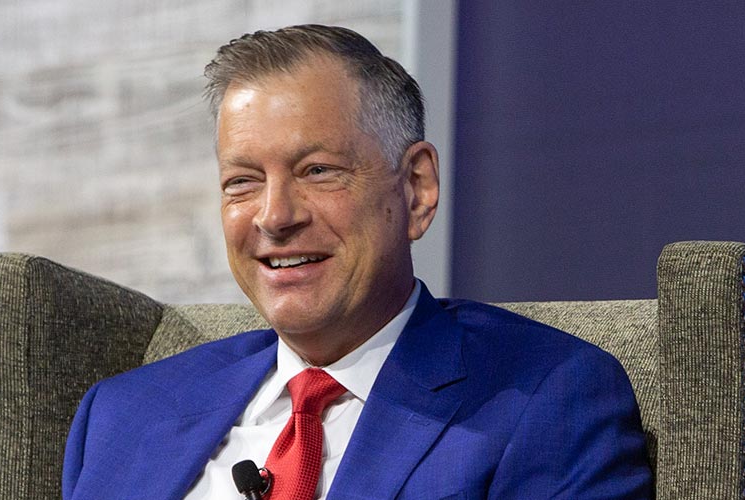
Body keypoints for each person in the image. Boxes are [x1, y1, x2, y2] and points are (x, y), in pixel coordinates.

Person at [62, 24, 652, 499]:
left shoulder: (547, 399)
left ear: (416, 187)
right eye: (242, 182)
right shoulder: (122, 415)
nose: (274, 215)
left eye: (318, 171)